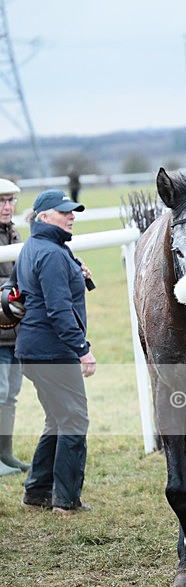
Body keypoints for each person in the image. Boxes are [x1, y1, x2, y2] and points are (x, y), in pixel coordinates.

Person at [15, 188, 96, 515]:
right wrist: (82, 349)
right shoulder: (51, 253)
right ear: (44, 217)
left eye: (72, 210)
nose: (71, 215)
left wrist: (79, 275)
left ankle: (36, 491)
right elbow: (59, 309)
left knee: (57, 420)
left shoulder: (40, 246)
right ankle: (66, 500)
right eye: (65, 212)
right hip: (52, 352)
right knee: (75, 419)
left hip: (34, 351)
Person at [0, 177, 30, 477]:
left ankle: (5, 455)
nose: (7, 207)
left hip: (13, 331)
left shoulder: (14, 234)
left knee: (10, 394)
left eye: (10, 201)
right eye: (1, 201)